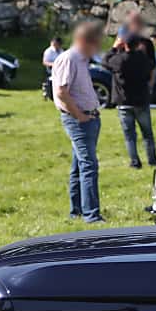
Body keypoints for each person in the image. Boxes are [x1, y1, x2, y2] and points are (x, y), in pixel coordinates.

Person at [51, 19, 105, 223]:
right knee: (89, 165)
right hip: (79, 119)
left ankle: (77, 210)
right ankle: (92, 214)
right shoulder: (69, 59)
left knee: (79, 166)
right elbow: (62, 92)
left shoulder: (81, 59)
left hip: (88, 117)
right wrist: (80, 116)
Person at [105, 15, 156, 168]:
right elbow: (151, 66)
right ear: (137, 45)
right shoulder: (143, 59)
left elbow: (105, 62)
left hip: (124, 101)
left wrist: (115, 47)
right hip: (141, 100)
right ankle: (153, 160)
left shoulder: (119, 60)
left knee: (130, 136)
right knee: (147, 134)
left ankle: (135, 162)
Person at [40, 35, 63, 101]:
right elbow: (45, 62)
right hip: (51, 69)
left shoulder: (61, 51)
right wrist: (54, 64)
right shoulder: (48, 51)